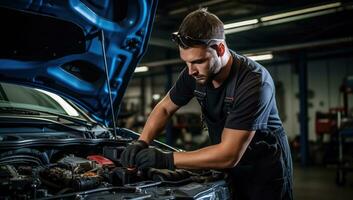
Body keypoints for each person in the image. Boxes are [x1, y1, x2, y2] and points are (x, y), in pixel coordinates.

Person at [121, 8, 293, 200]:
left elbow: (229, 154)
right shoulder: (193, 74)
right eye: (186, 62)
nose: (191, 71)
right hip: (228, 170)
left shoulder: (254, 82)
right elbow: (164, 107)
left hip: (263, 174)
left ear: (220, 49)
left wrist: (165, 159)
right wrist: (141, 141)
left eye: (198, 61)